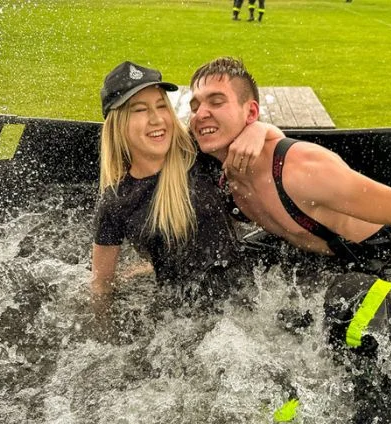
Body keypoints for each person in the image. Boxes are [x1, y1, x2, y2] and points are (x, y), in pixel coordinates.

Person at [189, 56, 391, 424]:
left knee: (352, 316)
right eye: (195, 104)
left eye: (216, 101)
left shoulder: (300, 167)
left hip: (385, 254)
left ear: (249, 111)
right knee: (216, 271)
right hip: (314, 252)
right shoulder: (218, 166)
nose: (201, 113)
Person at [91, 60, 276, 318]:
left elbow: (273, 148)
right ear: (118, 124)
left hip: (246, 301)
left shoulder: (195, 150)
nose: (157, 119)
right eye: (140, 110)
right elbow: (101, 285)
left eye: (160, 106)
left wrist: (260, 129)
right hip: (182, 321)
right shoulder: (116, 202)